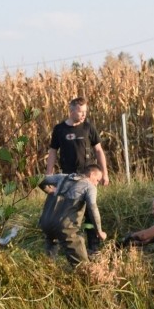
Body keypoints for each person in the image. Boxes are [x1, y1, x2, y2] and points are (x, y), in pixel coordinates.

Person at [45, 97, 109, 255]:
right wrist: (49, 174)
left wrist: (104, 173)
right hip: (67, 179)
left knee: (89, 212)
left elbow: (99, 151)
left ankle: (93, 248)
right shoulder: (59, 129)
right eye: (81, 112)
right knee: (63, 211)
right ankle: (58, 248)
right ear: (71, 110)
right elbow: (53, 152)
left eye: (85, 112)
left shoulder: (88, 128)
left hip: (86, 178)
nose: (83, 115)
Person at [38, 165, 107, 266]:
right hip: (64, 226)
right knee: (82, 264)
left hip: (46, 222)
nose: (96, 184)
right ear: (91, 174)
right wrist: (99, 231)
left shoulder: (64, 177)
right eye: (97, 180)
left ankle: (47, 272)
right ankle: (85, 276)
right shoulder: (89, 186)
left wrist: (50, 191)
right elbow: (92, 208)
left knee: (50, 253)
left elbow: (40, 180)